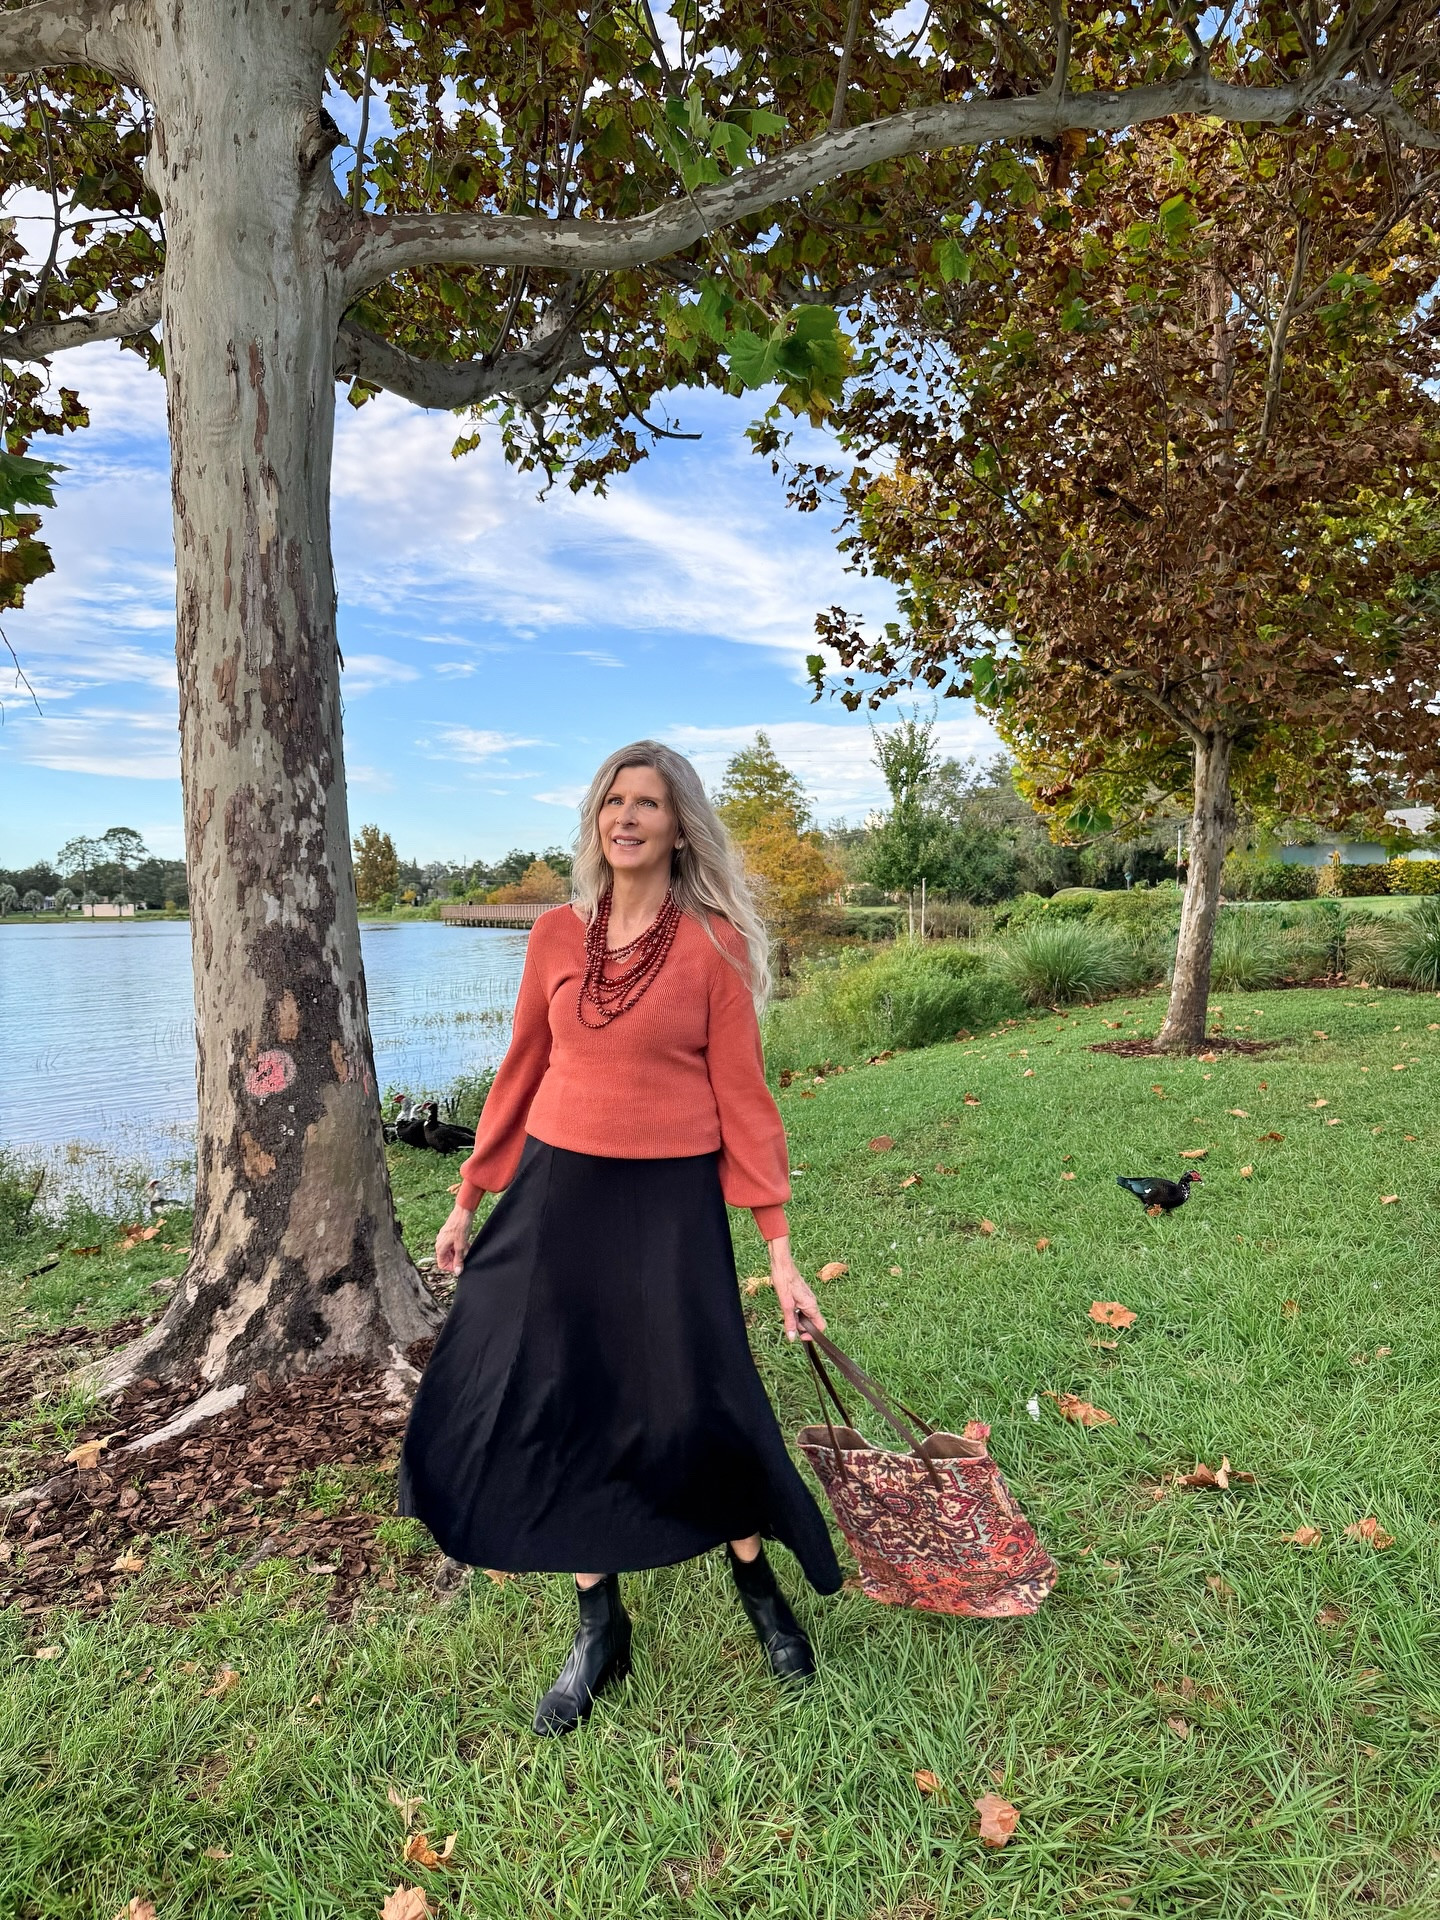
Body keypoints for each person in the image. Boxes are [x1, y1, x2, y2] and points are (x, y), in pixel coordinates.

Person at [399, 740, 842, 1736]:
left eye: (648, 802)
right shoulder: (557, 935)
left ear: (680, 826)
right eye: (613, 800)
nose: (627, 817)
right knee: (566, 1395)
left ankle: (758, 1586)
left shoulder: (715, 946)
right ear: (596, 820)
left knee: (699, 1393)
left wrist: (779, 1252)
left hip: (670, 1202)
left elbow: (746, 1101)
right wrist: (469, 1197)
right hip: (559, 1193)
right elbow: (520, 1070)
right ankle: (600, 1625)